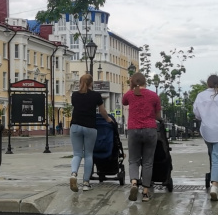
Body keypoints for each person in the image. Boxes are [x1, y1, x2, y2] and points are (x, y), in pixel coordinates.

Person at [69, 74, 113, 192]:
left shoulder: (75, 95)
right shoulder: (96, 96)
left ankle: (73, 174)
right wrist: (109, 120)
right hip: (90, 127)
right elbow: (102, 111)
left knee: (77, 154)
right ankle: (85, 183)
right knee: (88, 154)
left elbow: (76, 107)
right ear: (91, 83)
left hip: (75, 126)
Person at [122, 72, 162, 202]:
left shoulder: (130, 94)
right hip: (150, 130)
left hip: (134, 130)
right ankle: (145, 193)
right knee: (147, 162)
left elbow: (124, 102)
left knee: (133, 160)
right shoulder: (154, 96)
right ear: (146, 81)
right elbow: (157, 116)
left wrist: (131, 87)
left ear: (133, 82)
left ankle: (134, 183)